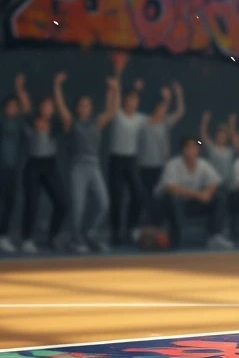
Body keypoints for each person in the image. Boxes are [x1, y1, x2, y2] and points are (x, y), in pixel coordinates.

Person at [52, 71, 118, 253]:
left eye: (87, 105)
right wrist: (57, 86)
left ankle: (91, 232)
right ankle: (75, 240)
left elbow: (112, 110)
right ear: (77, 108)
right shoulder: (71, 122)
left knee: (104, 202)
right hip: (78, 166)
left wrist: (115, 88)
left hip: (94, 165)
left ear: (90, 108)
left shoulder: (97, 122)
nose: (84, 108)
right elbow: (60, 106)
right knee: (78, 206)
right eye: (81, 105)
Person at [16, 76, 67, 254]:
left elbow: (67, 120)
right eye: (45, 105)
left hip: (50, 164)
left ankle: (52, 237)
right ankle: (27, 239)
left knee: (62, 202)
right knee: (31, 202)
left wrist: (57, 86)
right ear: (40, 107)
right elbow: (25, 105)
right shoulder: (31, 119)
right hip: (33, 165)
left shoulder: (55, 124)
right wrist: (20, 88)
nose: (48, 108)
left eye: (50, 106)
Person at [156, 136, 230, 250]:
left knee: (219, 196)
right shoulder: (173, 164)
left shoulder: (202, 164)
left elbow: (215, 181)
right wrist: (198, 195)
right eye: (188, 147)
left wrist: (207, 192)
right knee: (172, 198)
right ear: (183, 150)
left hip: (191, 205)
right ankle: (176, 239)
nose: (192, 150)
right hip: (169, 205)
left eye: (195, 147)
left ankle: (214, 237)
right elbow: (170, 187)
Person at [107, 62, 147, 247]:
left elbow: (157, 118)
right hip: (116, 160)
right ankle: (116, 233)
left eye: (135, 99)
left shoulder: (140, 119)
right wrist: (118, 78)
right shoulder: (117, 115)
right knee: (116, 197)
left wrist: (167, 100)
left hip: (131, 160)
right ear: (124, 101)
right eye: (129, 99)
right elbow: (113, 100)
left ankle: (131, 229)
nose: (132, 102)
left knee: (138, 194)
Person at [137, 82, 185, 223]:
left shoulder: (165, 123)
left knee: (160, 197)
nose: (162, 110)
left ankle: (159, 224)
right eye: (160, 108)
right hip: (144, 166)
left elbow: (180, 111)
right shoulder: (143, 122)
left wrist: (178, 94)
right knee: (145, 197)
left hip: (161, 166)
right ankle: (147, 225)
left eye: (164, 108)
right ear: (155, 109)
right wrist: (138, 90)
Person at [0, 80, 25, 254]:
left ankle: (3, 236)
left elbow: (27, 108)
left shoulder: (20, 122)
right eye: (10, 106)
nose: (12, 109)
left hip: (12, 170)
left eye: (15, 106)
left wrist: (19, 88)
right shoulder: (1, 122)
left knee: (9, 203)